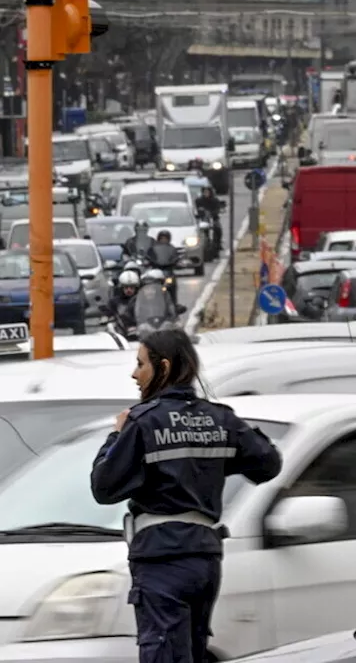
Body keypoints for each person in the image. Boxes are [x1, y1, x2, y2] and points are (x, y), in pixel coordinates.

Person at [90, 330, 282, 663]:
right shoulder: (220, 418)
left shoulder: (142, 422)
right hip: (205, 558)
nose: (134, 374)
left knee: (164, 653)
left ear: (162, 367)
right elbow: (268, 463)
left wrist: (115, 436)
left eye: (140, 364)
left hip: (162, 557)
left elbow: (103, 486)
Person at [148, 231, 181, 304]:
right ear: (158, 239)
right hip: (156, 272)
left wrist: (177, 262)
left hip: (168, 271)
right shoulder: (153, 249)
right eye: (162, 238)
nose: (164, 240)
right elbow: (148, 257)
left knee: (172, 283)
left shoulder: (172, 249)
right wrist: (147, 261)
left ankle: (174, 303)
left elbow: (176, 257)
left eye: (165, 238)